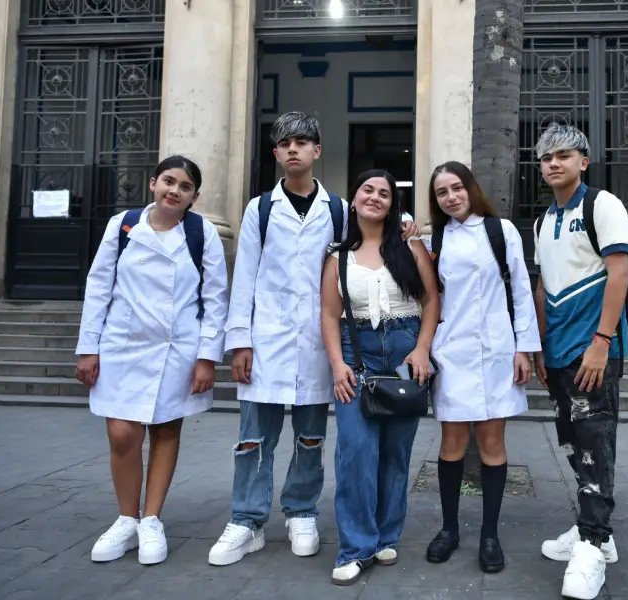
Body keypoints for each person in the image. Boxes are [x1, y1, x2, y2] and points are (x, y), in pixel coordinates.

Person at [209, 112, 418, 567]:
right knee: (252, 436)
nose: (293, 149)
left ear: (317, 152)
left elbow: (369, 249)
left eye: (303, 142)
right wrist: (240, 341)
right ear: (276, 154)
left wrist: (406, 228)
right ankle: (246, 519)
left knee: (310, 434)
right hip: (265, 338)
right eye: (285, 143)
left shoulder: (340, 210)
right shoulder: (259, 208)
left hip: (321, 342)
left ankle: (301, 510)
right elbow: (243, 276)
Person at [74, 155, 229, 566]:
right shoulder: (123, 226)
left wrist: (207, 359)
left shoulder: (201, 233)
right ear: (153, 184)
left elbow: (215, 300)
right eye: (169, 181)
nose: (174, 191)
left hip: (175, 348)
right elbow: (98, 286)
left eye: (185, 186)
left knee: (164, 430)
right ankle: (126, 518)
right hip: (122, 346)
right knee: (122, 434)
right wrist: (87, 348)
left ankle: (151, 518)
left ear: (195, 196)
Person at [320, 170, 440, 586]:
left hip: (406, 352)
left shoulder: (409, 246)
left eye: (384, 193)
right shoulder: (337, 255)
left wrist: (423, 348)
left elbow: (431, 300)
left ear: (392, 205)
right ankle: (355, 547)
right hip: (357, 356)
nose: (375, 197)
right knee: (355, 453)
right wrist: (337, 365)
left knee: (395, 452)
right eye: (367, 190)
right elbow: (329, 314)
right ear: (353, 200)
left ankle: (386, 534)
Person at [424, 161, 542, 573]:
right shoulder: (435, 237)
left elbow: (522, 290)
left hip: (496, 350)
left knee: (493, 445)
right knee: (452, 444)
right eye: (442, 192)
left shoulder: (501, 230)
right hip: (452, 352)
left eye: (457, 188)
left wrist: (524, 349)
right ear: (435, 200)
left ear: (471, 188)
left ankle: (489, 534)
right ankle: (450, 528)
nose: (451, 197)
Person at [532, 123, 628, 600]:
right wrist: (537, 345)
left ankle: (592, 545)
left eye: (563, 155)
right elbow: (542, 284)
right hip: (557, 354)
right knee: (572, 443)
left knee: (595, 444)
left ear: (583, 161)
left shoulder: (603, 204)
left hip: (594, 350)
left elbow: (620, 272)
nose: (553, 163)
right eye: (547, 157)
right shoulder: (541, 220)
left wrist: (602, 340)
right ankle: (597, 533)